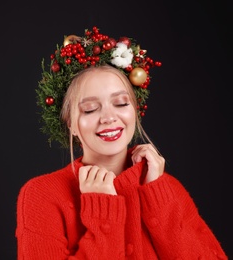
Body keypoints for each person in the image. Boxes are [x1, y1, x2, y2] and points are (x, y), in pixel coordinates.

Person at [15, 26, 227, 259]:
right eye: (90, 109)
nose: (109, 118)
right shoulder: (41, 196)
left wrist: (158, 199)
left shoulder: (165, 188)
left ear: (135, 111)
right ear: (71, 124)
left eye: (121, 104)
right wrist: (103, 213)